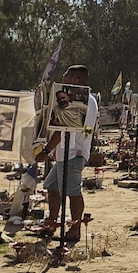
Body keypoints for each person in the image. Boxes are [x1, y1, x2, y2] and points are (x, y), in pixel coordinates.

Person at [36, 65, 98, 243]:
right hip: (66, 152)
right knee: (52, 186)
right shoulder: (81, 99)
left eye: (67, 76)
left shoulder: (84, 100)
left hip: (73, 152)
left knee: (73, 192)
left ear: (75, 80)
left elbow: (62, 128)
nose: (63, 78)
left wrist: (47, 150)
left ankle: (75, 229)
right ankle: (52, 223)